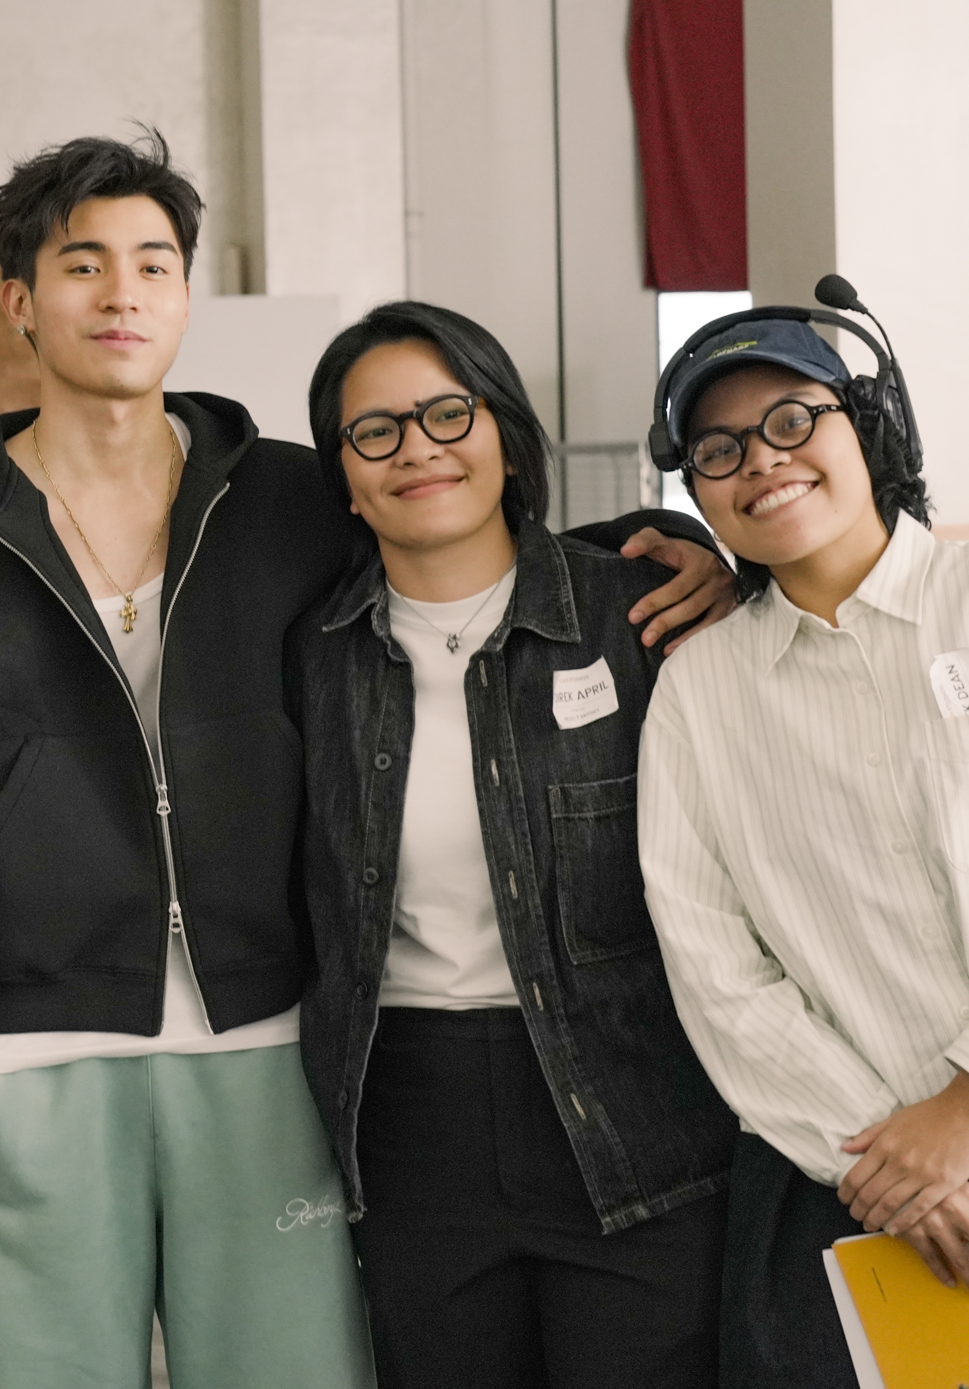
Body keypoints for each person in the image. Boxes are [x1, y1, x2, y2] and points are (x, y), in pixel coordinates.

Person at [0, 132, 736, 1387]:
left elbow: (459, 536)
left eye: (153, 263)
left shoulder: (285, 501)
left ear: (186, 294)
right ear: (20, 300)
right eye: (83, 264)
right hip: (32, 1059)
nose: (122, 293)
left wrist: (665, 544)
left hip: (267, 1045)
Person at [637, 302, 969, 1386]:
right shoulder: (699, 692)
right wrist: (891, 1162)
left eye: (792, 419)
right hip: (840, 1173)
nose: (763, 461)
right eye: (720, 449)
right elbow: (716, 970)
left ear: (869, 425)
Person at [290, 303, 736, 1389]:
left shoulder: (643, 614)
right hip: (410, 1123)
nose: (417, 449)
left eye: (449, 413)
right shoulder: (311, 656)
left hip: (635, 1108)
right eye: (375, 431)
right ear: (343, 477)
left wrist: (724, 564)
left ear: (506, 434)